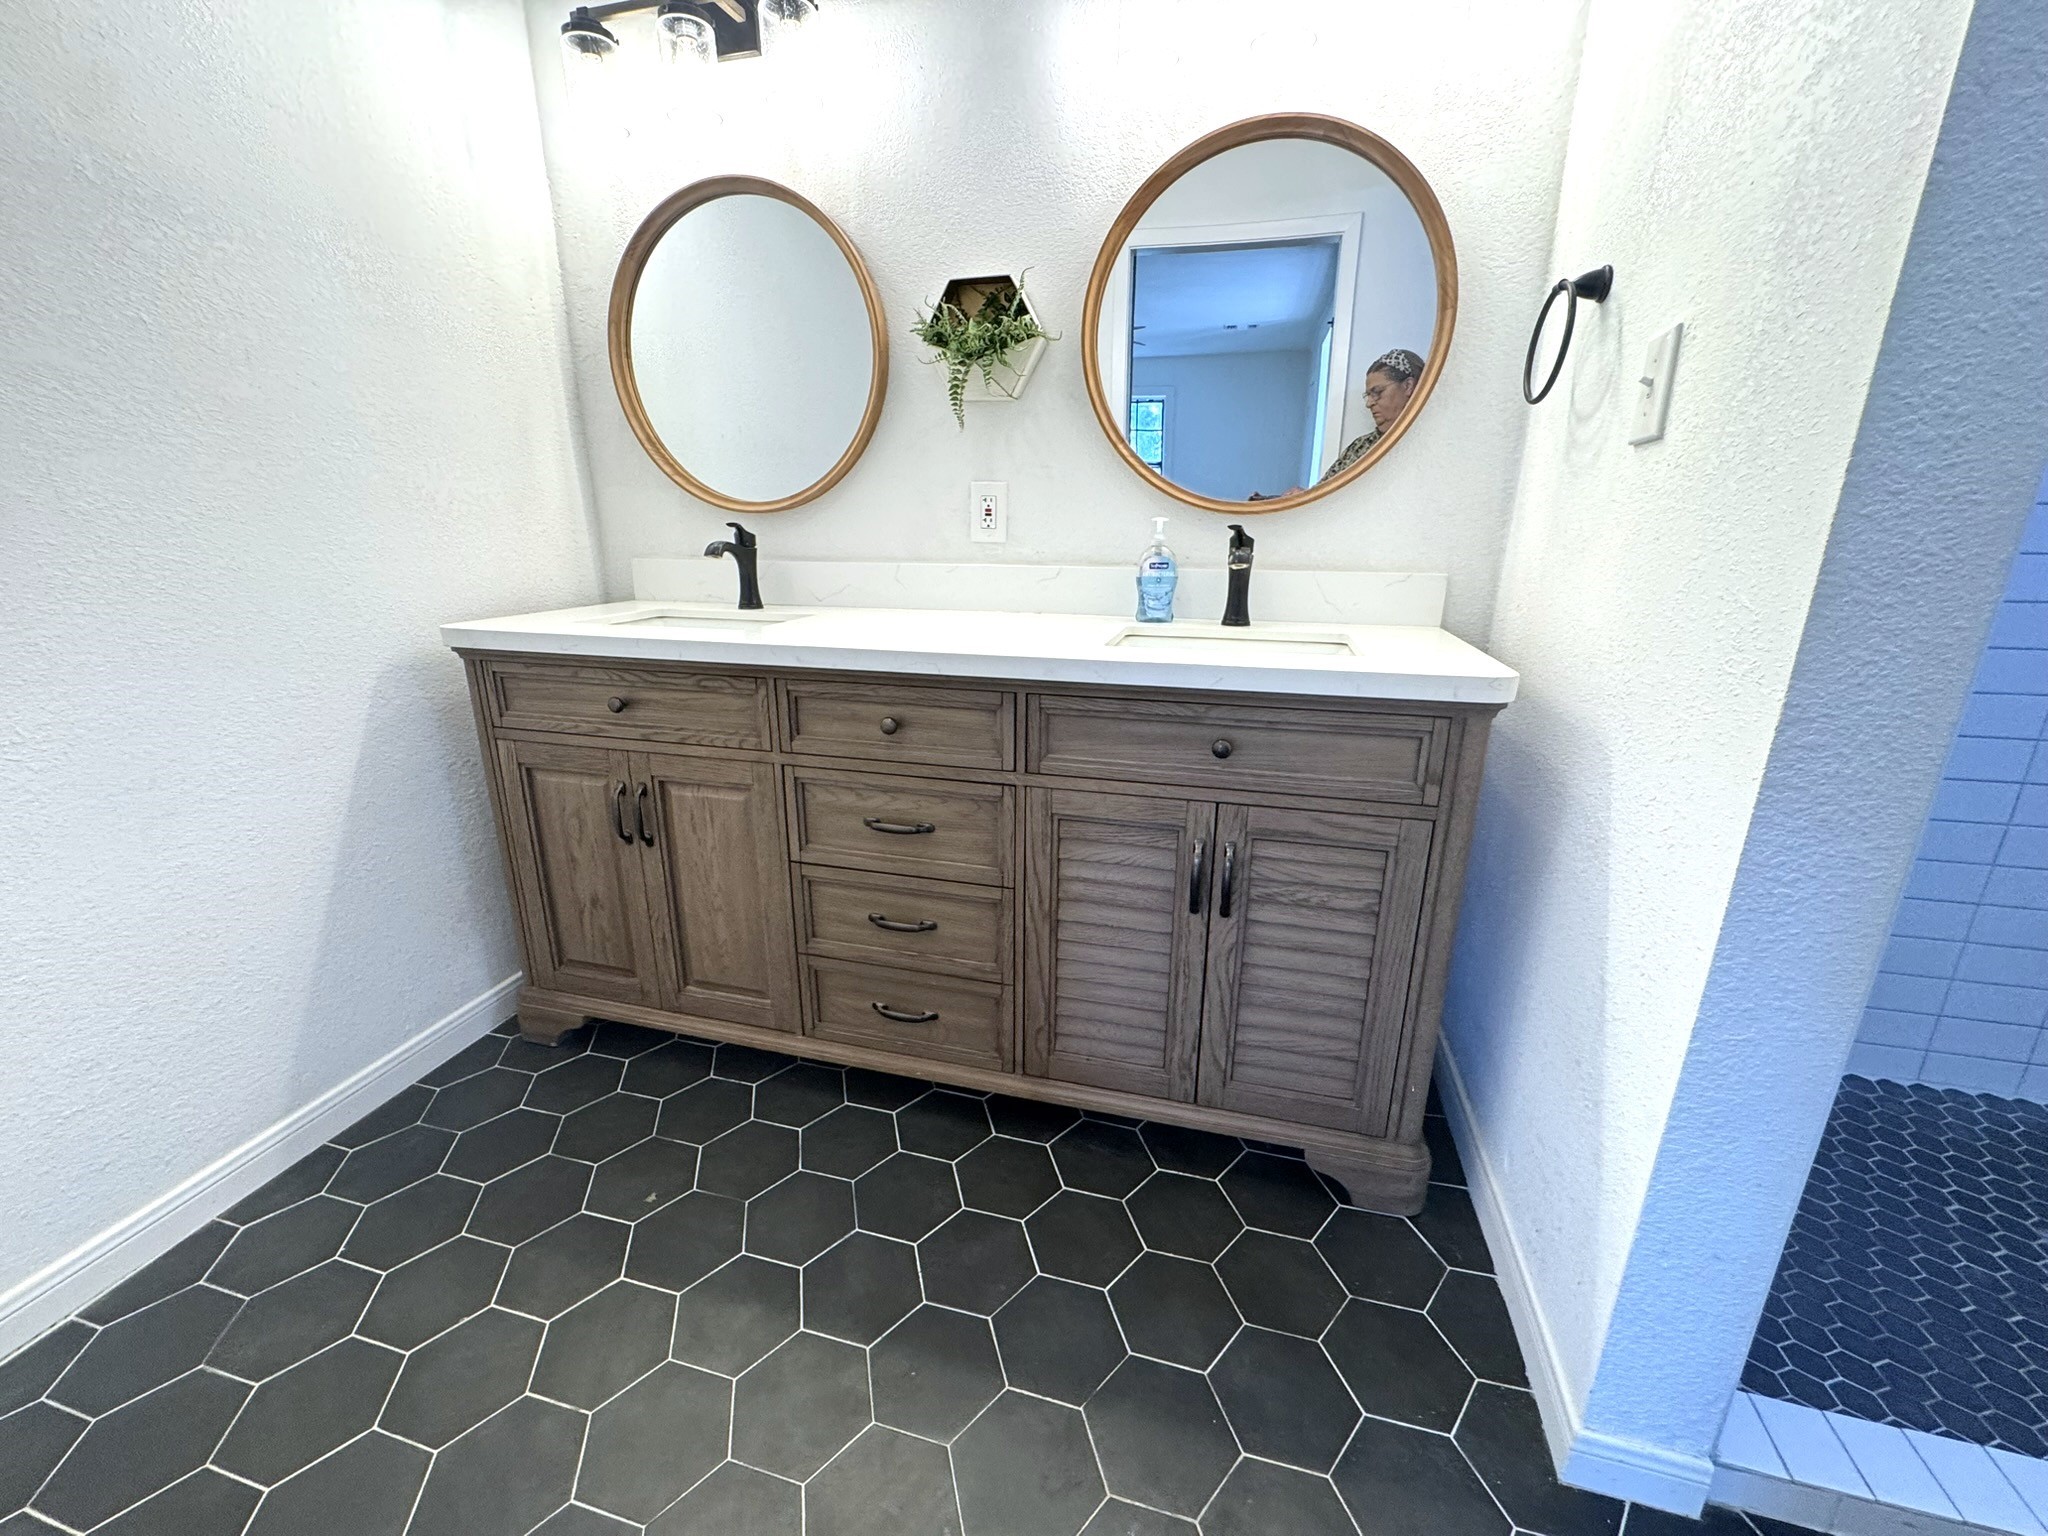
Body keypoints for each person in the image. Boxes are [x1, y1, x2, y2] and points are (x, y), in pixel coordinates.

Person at [1318, 347, 1425, 483]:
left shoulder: (1428, 440)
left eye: (1377, 392)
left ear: (1408, 386)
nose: (1369, 403)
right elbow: (1325, 490)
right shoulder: (1358, 447)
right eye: (1368, 395)